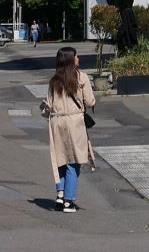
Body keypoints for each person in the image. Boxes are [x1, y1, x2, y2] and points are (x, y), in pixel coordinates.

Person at [41, 46, 94, 213]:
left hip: (56, 122)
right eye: (76, 56)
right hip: (74, 121)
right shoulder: (81, 78)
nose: (79, 59)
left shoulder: (54, 80)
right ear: (71, 59)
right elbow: (90, 101)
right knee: (73, 161)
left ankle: (60, 195)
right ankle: (68, 201)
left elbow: (47, 106)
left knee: (60, 159)